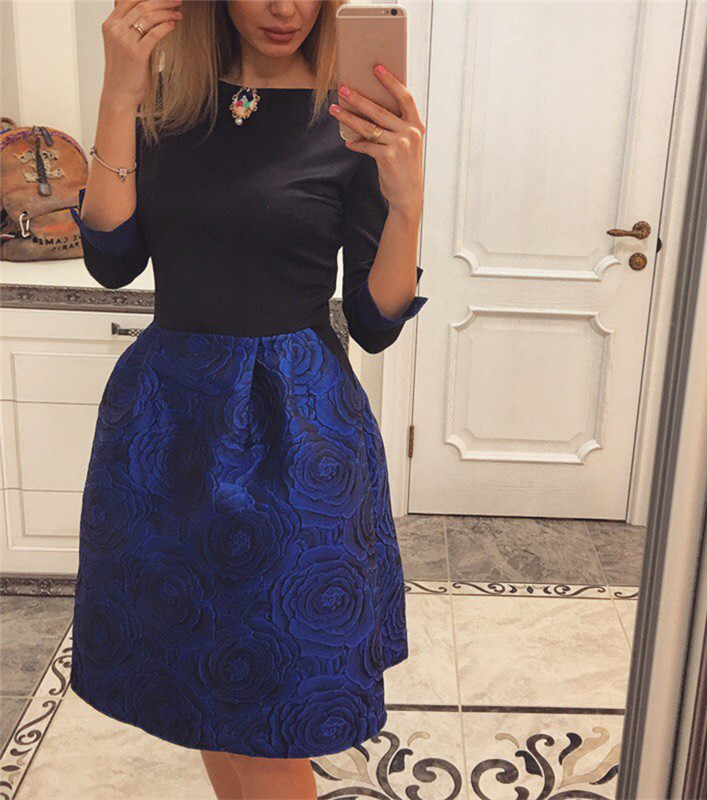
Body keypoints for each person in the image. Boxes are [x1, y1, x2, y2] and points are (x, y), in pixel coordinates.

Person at [68, 1, 427, 798]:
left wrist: (407, 205)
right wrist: (120, 94)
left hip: (295, 434)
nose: (285, 7)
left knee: (274, 709)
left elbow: (375, 322)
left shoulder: (349, 117)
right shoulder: (167, 107)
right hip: (167, 430)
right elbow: (112, 259)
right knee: (204, 686)